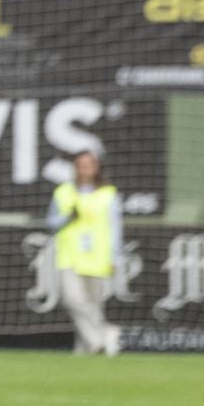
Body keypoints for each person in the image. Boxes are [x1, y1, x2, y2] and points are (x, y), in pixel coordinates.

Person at [48, 150, 123, 356]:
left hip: (97, 257)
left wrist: (114, 256)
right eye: (80, 164)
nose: (84, 168)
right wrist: (67, 218)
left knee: (94, 305)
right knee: (73, 299)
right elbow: (51, 222)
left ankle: (85, 349)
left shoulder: (108, 194)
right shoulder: (64, 192)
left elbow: (115, 227)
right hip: (70, 255)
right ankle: (102, 336)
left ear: (97, 167)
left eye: (88, 164)